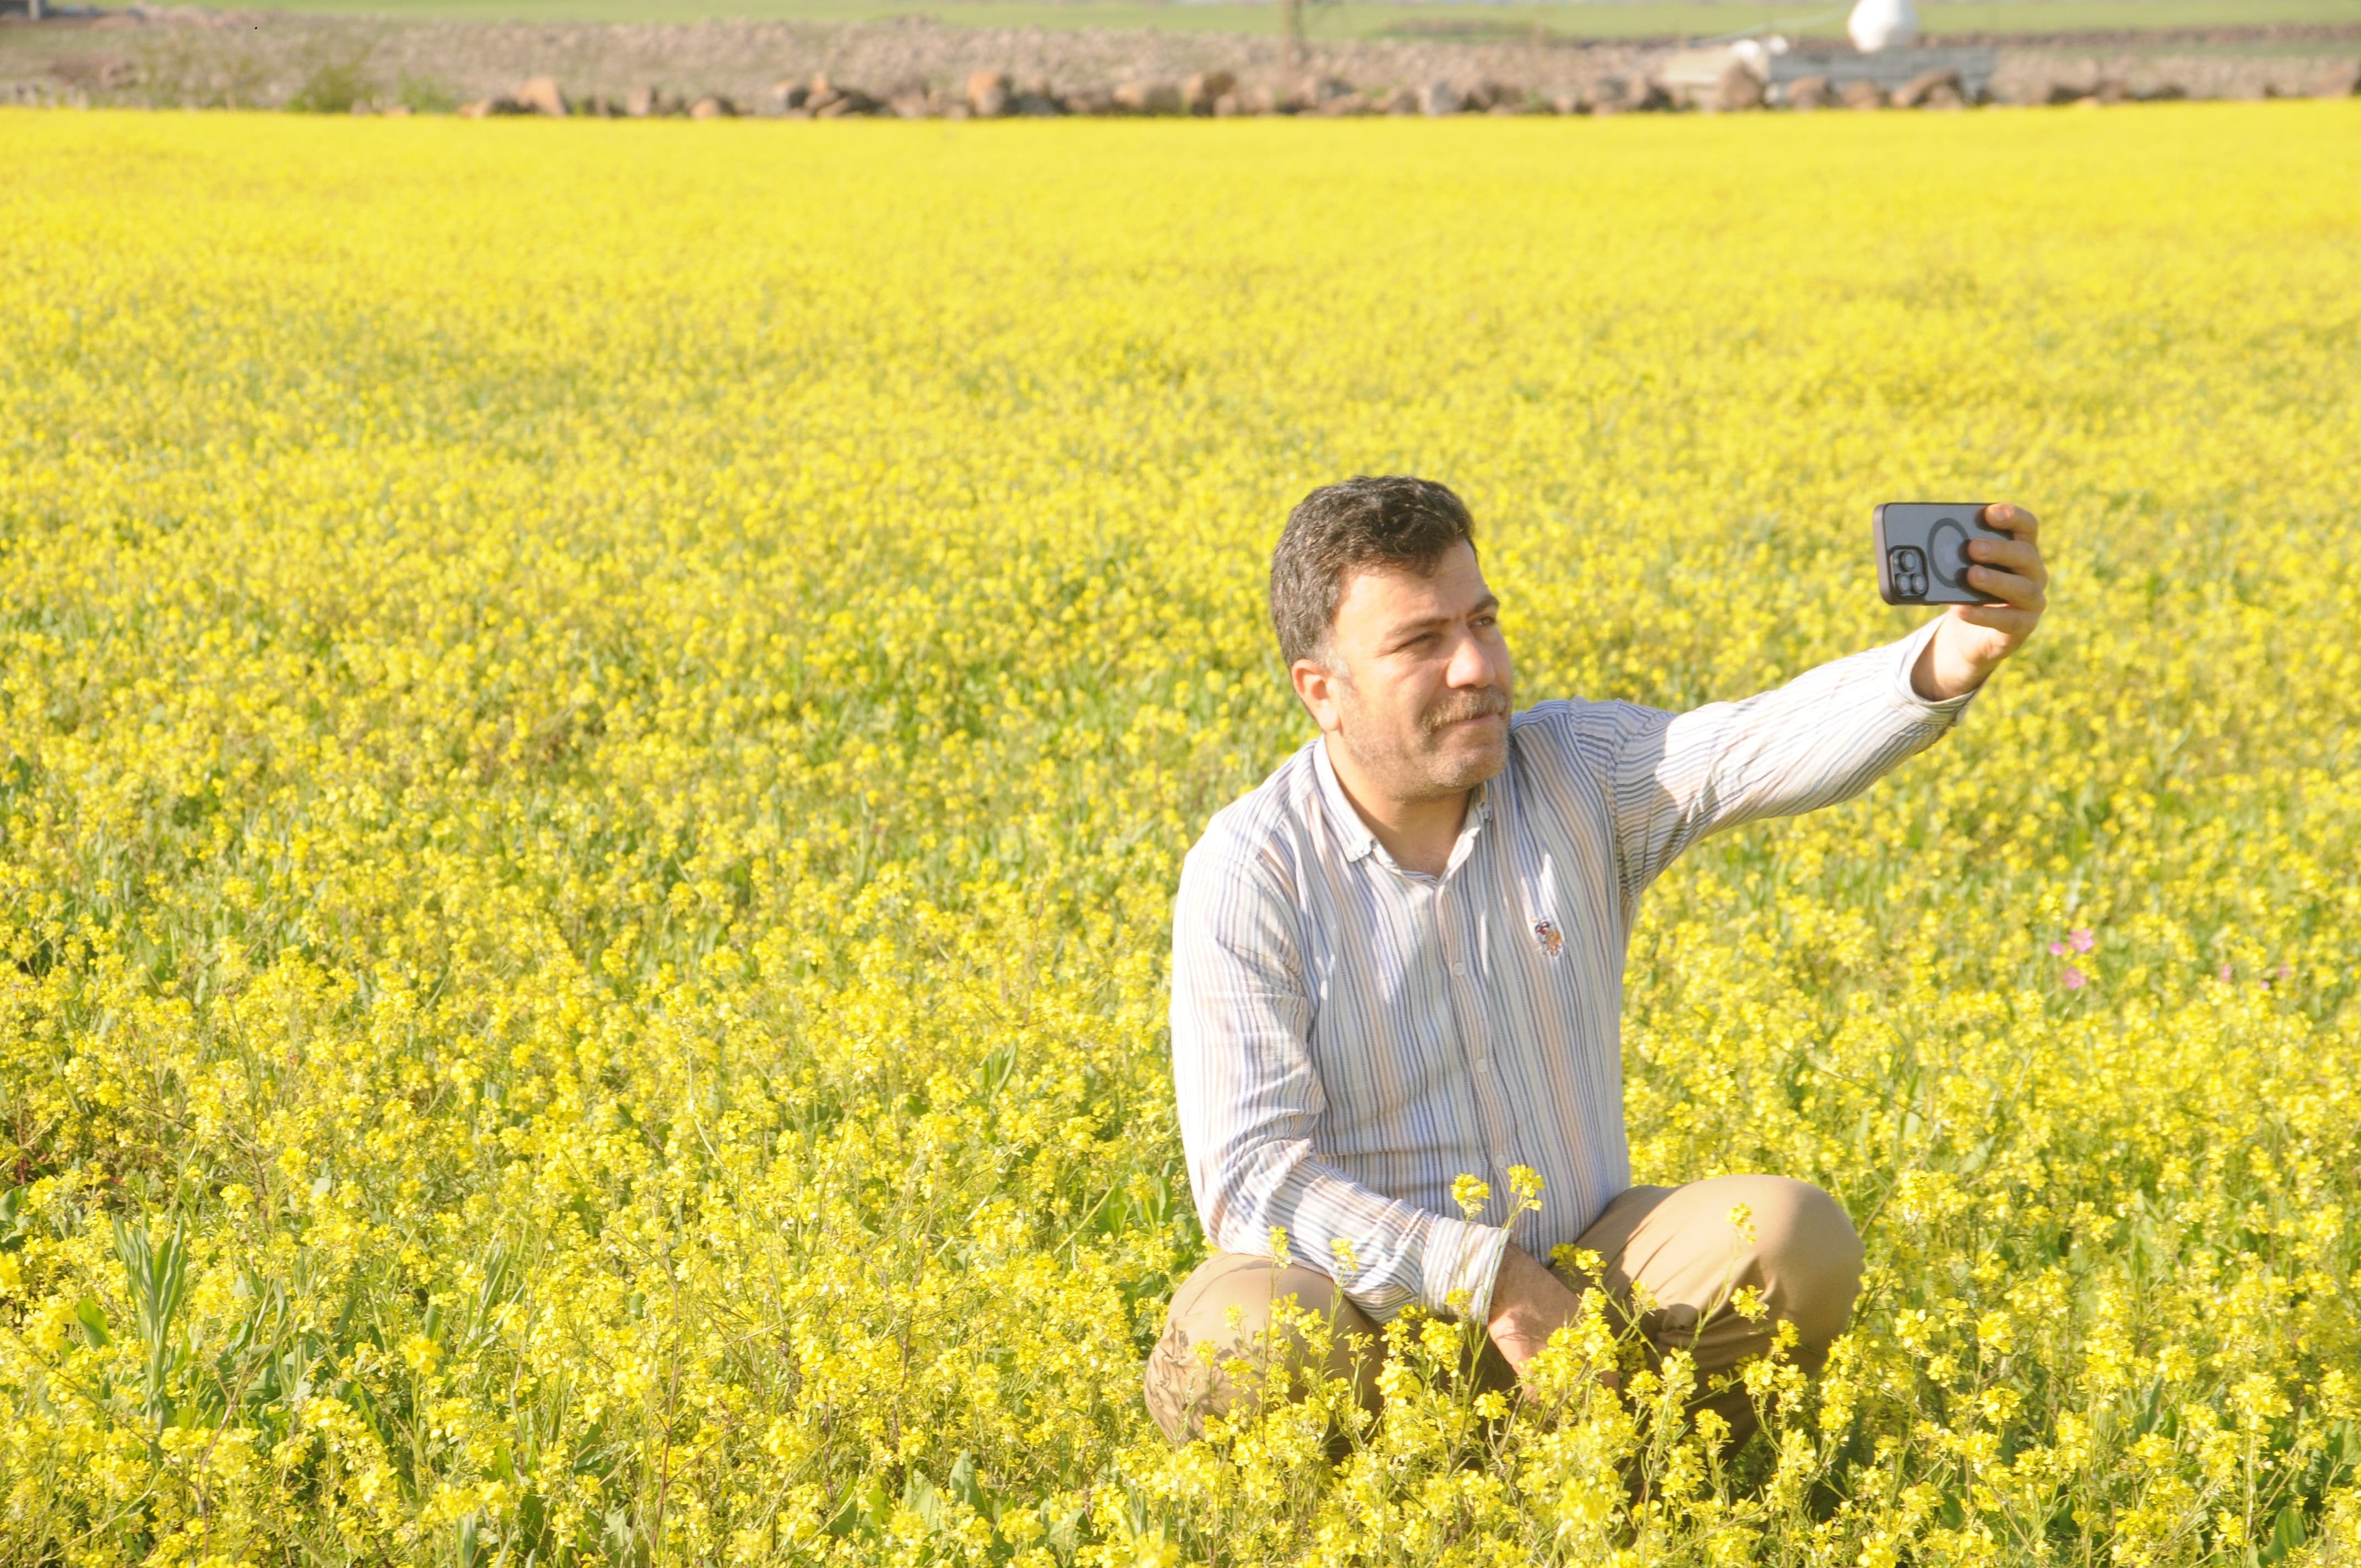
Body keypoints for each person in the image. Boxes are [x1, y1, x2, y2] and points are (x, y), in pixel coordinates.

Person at [1145, 477, 2048, 1445]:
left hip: (1587, 1295)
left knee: (1794, 1238)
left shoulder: (1575, 772)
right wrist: (1482, 1275)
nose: (1476, 667)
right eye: (1421, 643)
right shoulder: (1252, 867)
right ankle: (1379, 1510)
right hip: (1367, 1321)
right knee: (1241, 1331)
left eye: (1482, 622)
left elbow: (1752, 745)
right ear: (1320, 690)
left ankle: (1637, 1481)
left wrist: (1949, 658)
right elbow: (1252, 1181)